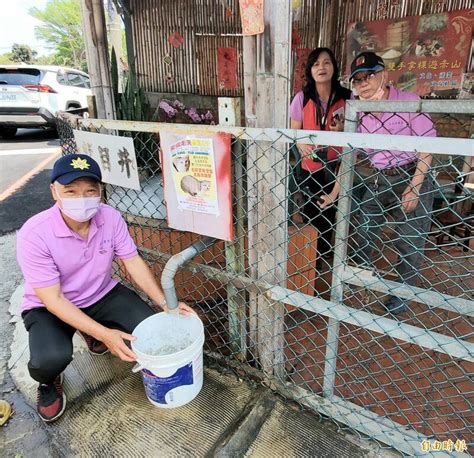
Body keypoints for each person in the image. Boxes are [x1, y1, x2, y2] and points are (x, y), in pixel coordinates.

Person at [16, 153, 195, 422]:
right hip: (49, 306)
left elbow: (132, 261)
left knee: (150, 330)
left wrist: (164, 303)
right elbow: (53, 299)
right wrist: (105, 333)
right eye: (70, 191)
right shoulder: (34, 233)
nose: (82, 198)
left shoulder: (110, 217)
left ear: (101, 191)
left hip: (101, 293)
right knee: (49, 359)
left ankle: (90, 334)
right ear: (54, 191)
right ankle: (48, 381)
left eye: (90, 190)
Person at [320, 52, 436, 314]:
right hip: (381, 176)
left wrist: (415, 186)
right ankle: (360, 276)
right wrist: (334, 193)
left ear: (384, 75)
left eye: (369, 75)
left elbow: (428, 148)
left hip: (412, 172)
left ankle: (402, 296)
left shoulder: (409, 102)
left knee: (408, 238)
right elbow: (348, 156)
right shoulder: (355, 109)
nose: (363, 83)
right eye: (358, 79)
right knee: (364, 227)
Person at [290, 47, 351, 264]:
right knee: (313, 211)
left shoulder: (347, 97)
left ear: (334, 67)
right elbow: (294, 131)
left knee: (336, 213)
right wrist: (300, 141)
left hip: (339, 165)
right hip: (312, 166)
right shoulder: (302, 98)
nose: (321, 68)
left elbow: (358, 129)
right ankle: (312, 258)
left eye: (326, 62)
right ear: (310, 70)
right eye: (316, 64)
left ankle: (327, 256)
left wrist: (343, 130)